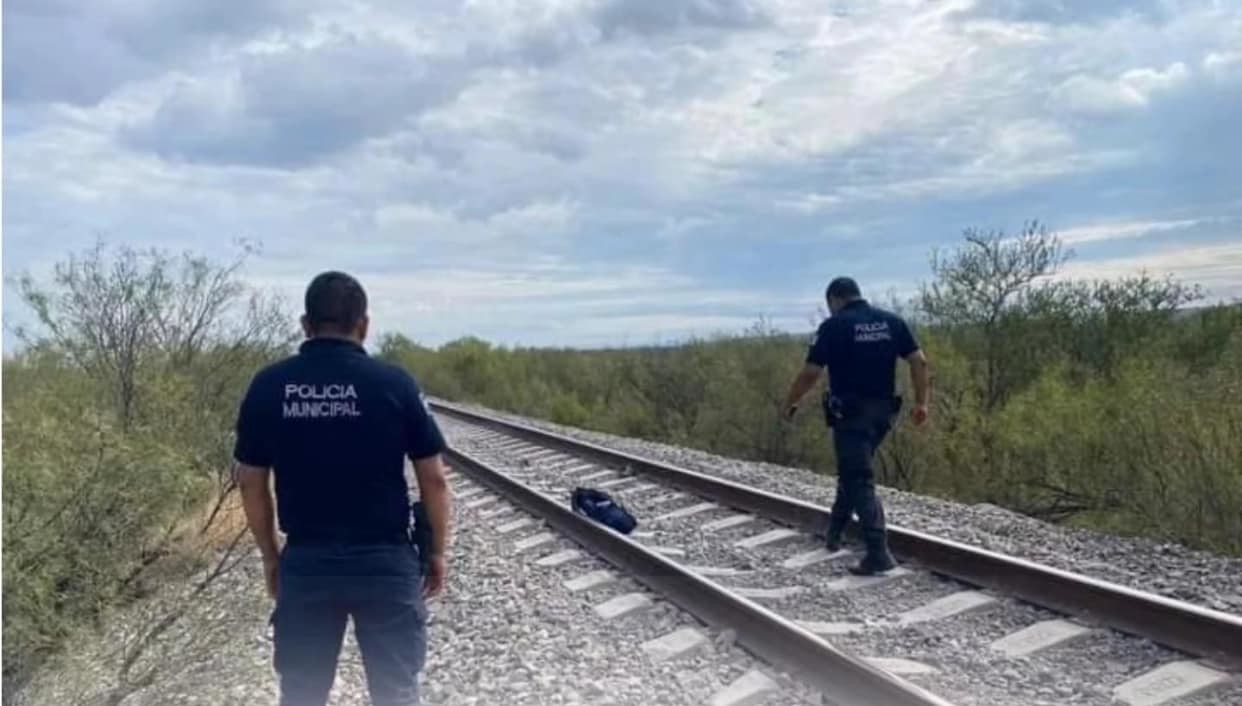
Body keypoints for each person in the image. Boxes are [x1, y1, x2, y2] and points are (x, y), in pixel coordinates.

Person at [233, 271, 452, 706]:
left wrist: (271, 556)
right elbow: (435, 479)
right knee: (396, 694)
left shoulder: (269, 386)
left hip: (308, 563)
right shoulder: (395, 384)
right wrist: (437, 551)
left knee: (302, 695)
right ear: (364, 324)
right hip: (386, 564)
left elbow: (251, 483)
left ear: (305, 324)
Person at [782, 276, 930, 576]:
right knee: (853, 471)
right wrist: (922, 403)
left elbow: (811, 372)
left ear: (835, 300)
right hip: (884, 414)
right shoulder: (891, 321)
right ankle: (834, 534)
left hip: (851, 414)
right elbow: (919, 361)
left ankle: (878, 553)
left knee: (859, 478)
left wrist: (791, 402)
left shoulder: (834, 326)